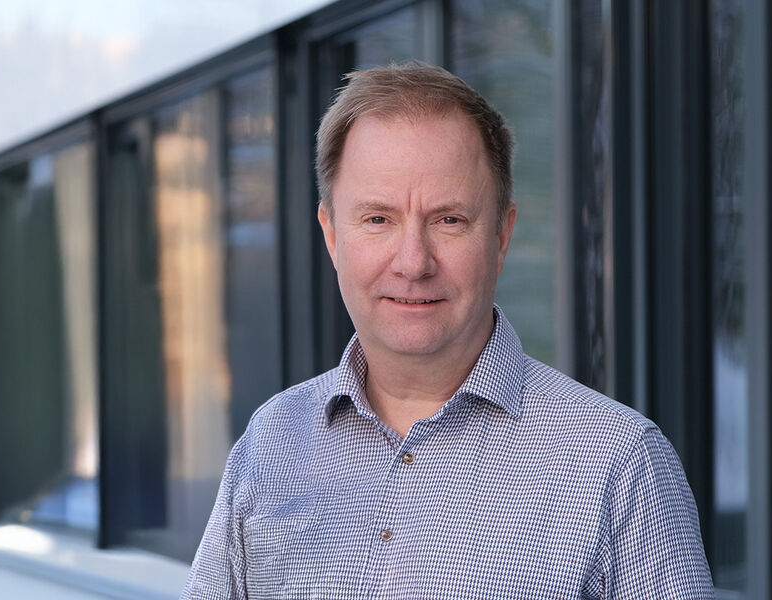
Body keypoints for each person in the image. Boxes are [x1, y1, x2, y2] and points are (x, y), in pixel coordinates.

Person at [182, 61, 714, 599]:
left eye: (449, 220)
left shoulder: (621, 464)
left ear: (501, 236)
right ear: (332, 235)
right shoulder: (271, 442)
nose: (413, 263)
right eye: (378, 219)